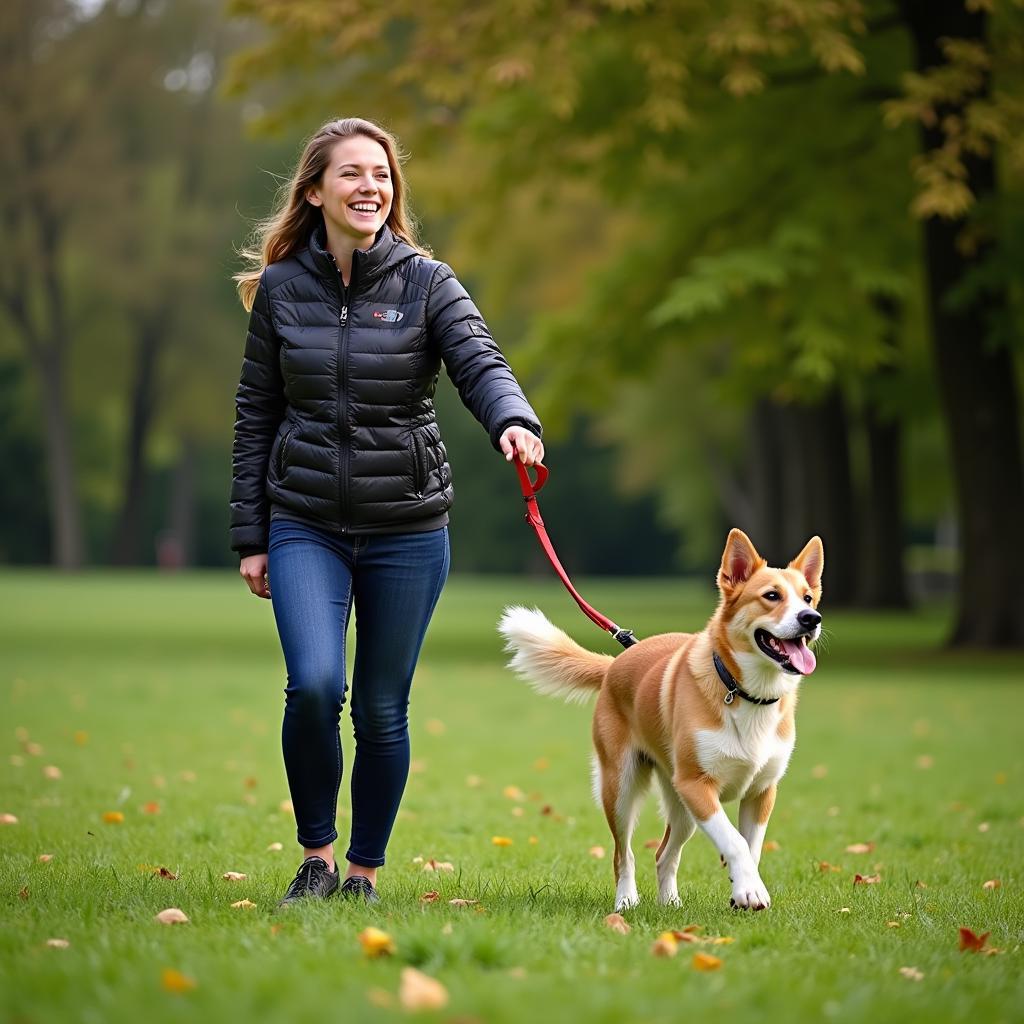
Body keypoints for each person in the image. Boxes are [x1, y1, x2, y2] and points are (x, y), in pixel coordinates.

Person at [230, 117, 543, 907]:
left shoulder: (428, 282)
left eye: (381, 174)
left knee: (380, 706)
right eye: (351, 173)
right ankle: (316, 856)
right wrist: (251, 537)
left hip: (408, 527)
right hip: (304, 521)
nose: (370, 185)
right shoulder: (280, 290)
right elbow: (255, 413)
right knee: (313, 685)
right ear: (315, 191)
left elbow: (480, 360)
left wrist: (514, 420)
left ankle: (363, 873)